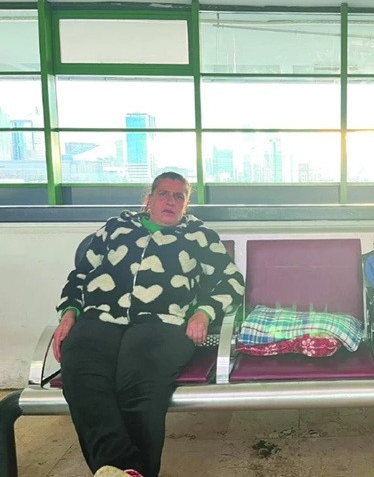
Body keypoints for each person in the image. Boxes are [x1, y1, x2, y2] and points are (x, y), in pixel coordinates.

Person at [52, 171, 244, 477]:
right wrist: (69, 311)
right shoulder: (115, 228)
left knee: (137, 384)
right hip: (99, 318)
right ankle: (130, 470)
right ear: (149, 199)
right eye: (163, 193)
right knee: (83, 375)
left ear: (186, 205)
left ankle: (120, 471)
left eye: (179, 196)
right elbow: (81, 274)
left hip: (163, 324)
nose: (171, 201)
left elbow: (232, 282)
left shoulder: (198, 236)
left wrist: (204, 312)